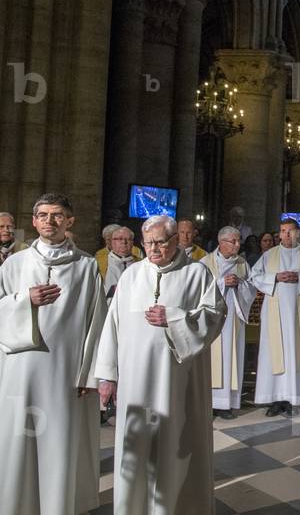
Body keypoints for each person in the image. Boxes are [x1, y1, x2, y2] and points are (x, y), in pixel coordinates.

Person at [95, 214, 226, 514]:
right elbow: (112, 326)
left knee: (177, 443)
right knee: (139, 446)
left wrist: (175, 318)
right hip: (135, 382)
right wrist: (107, 375)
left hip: (179, 381)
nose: (153, 249)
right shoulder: (131, 276)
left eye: (161, 242)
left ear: (175, 240)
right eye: (148, 243)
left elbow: (215, 315)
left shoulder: (196, 273)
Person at [0, 193, 106, 515]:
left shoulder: (86, 266)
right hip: (20, 370)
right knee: (18, 440)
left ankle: (57, 506)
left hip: (66, 371)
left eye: (57, 215)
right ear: (34, 221)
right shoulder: (14, 264)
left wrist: (90, 374)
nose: (50, 220)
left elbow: (97, 322)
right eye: (43, 215)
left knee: (58, 441)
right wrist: (25, 300)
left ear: (69, 221)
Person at [251, 217, 300, 416]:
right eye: (283, 231)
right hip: (273, 312)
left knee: (295, 352)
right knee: (272, 354)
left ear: (298, 233)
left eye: (291, 231)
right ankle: (276, 399)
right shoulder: (269, 255)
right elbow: (254, 276)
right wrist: (275, 277)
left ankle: (294, 398)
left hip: (297, 314)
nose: (287, 235)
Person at [201, 226, 257, 419]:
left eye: (238, 241)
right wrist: (222, 282)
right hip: (211, 319)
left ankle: (227, 404)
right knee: (211, 360)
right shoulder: (205, 263)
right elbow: (198, 290)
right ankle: (208, 404)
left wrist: (240, 283)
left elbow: (252, 289)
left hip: (234, 318)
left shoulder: (242, 263)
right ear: (221, 242)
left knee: (233, 357)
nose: (237, 244)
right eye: (233, 241)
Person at [98, 225, 141, 302]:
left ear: (132, 243)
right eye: (119, 239)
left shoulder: (141, 263)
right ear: (112, 242)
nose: (124, 242)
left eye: (128, 239)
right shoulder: (99, 261)